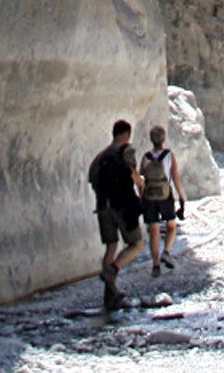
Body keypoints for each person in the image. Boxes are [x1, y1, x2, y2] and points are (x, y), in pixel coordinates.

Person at [88, 119, 144, 311]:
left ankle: (109, 295)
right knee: (136, 244)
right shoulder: (126, 151)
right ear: (126, 134)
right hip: (123, 206)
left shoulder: (100, 156)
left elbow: (92, 179)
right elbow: (133, 174)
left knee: (111, 247)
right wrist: (141, 184)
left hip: (103, 207)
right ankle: (112, 271)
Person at [139, 124, 185, 275]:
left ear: (151, 139)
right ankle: (166, 251)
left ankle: (155, 264)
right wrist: (181, 197)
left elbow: (141, 179)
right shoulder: (169, 155)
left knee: (154, 230)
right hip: (165, 194)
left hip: (149, 196)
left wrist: (141, 196)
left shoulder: (146, 157)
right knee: (171, 225)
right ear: (163, 139)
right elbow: (175, 177)